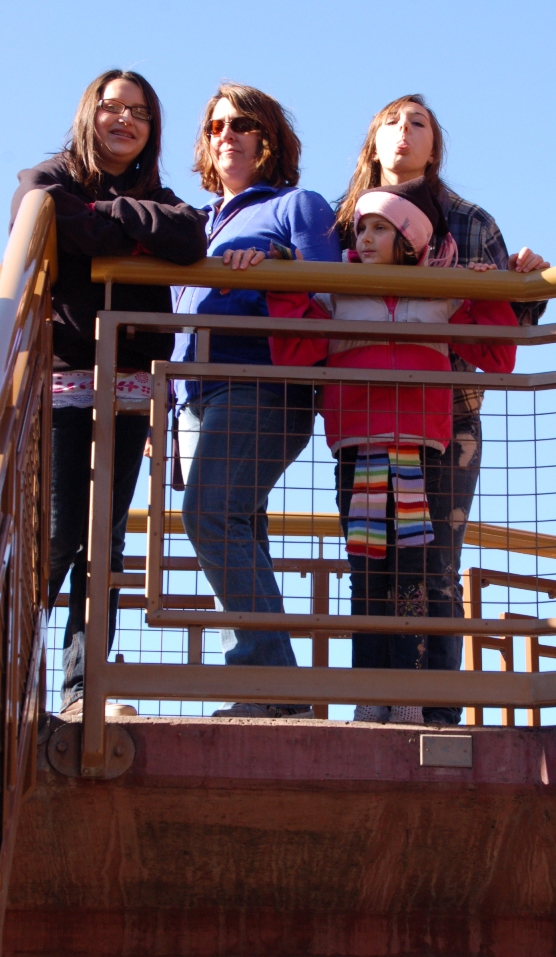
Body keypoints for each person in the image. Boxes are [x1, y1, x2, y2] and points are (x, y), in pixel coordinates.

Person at [262, 176, 518, 724]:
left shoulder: (441, 291)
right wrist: (285, 285)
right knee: (366, 571)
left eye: (381, 228)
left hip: (420, 451)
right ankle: (370, 694)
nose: (367, 237)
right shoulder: (335, 286)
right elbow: (296, 346)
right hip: (358, 451)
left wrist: (487, 291)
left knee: (413, 571)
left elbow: (498, 357)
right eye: (362, 228)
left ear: (409, 238)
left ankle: (405, 695)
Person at [334, 94, 549, 724]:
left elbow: (510, 326)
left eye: (419, 123)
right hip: (363, 420)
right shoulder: (342, 221)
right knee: (369, 555)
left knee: (435, 563)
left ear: (436, 144)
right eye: (392, 122)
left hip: (447, 415)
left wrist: (521, 277)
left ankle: (437, 710)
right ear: (372, 141)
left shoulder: (467, 220)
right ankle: (375, 700)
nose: (405, 132)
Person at [11, 69, 208, 716]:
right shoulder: (47, 181)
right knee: (60, 533)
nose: (125, 121)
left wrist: (114, 215)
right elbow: (60, 223)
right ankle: (18, 685)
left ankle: (80, 691)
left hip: (129, 391)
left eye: (140, 114)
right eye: (112, 107)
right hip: (64, 383)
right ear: (87, 113)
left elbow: (187, 236)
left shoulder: (164, 196)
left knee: (107, 542)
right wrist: (129, 227)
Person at [173, 83, 341, 719]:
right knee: (239, 528)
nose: (226, 135)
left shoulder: (298, 205)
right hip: (194, 397)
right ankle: (266, 693)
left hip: (265, 383)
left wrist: (275, 260)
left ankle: (273, 679)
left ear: (269, 136)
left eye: (242, 123)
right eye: (215, 126)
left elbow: (330, 297)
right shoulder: (196, 223)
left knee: (209, 513)